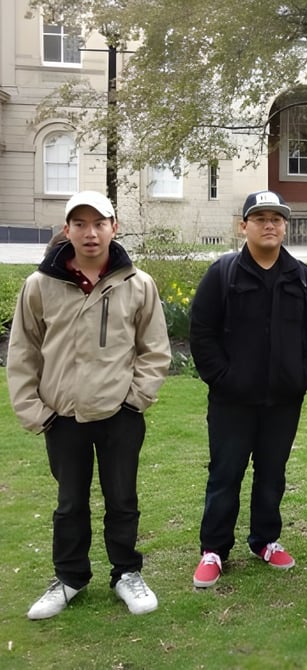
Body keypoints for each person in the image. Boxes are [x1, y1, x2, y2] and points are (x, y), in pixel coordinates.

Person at [8, 191, 171, 619]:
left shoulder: (138, 284)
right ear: (67, 231)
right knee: (69, 503)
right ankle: (70, 577)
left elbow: (154, 351)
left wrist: (135, 400)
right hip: (62, 417)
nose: (90, 232)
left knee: (122, 498)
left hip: (120, 414)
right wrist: (35, 411)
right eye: (80, 224)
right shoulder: (39, 286)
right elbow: (23, 353)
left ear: (114, 227)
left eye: (99, 223)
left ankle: (126, 573)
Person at [188, 190, 307, 588]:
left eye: (276, 218)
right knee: (225, 474)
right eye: (260, 217)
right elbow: (202, 333)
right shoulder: (224, 273)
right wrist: (223, 378)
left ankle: (265, 540)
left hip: (283, 400)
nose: (269, 225)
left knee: (272, 473)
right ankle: (214, 549)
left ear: (284, 225)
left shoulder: (299, 275)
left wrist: (302, 376)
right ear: (242, 225)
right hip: (233, 401)